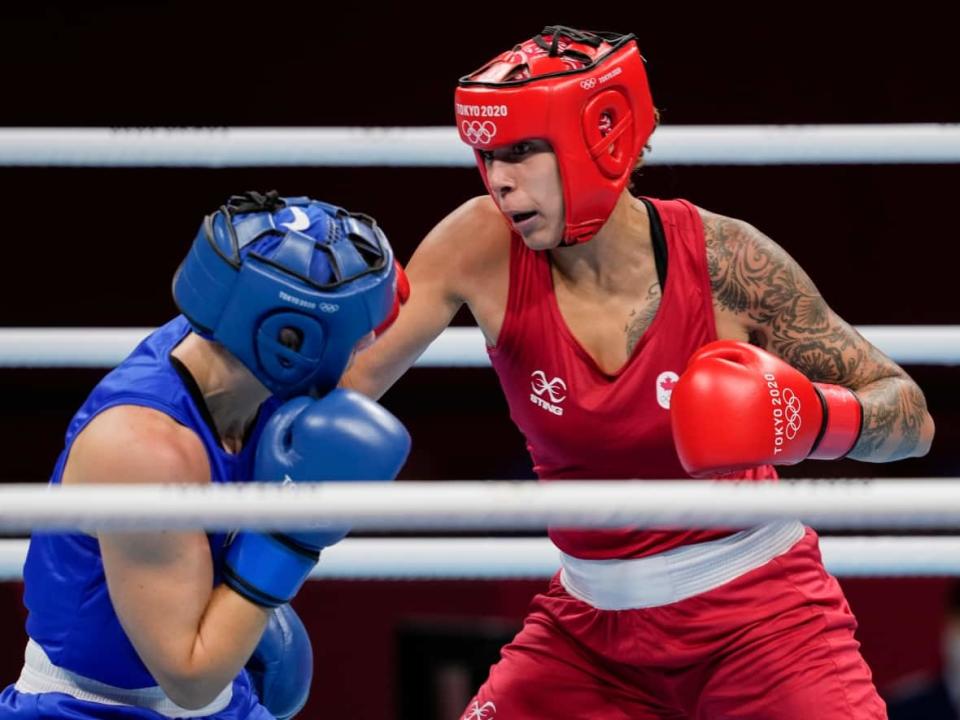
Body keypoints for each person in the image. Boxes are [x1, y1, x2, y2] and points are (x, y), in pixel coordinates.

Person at [342, 25, 935, 719]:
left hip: (761, 620)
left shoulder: (725, 262)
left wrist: (809, 421)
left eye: (523, 151)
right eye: (488, 155)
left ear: (601, 137)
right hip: (587, 632)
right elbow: (346, 388)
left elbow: (912, 418)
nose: (499, 179)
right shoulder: (480, 245)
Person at [0, 190, 411, 719]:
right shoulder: (143, 449)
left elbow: (393, 300)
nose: (368, 345)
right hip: (93, 708)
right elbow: (189, 678)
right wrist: (286, 536)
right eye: (358, 336)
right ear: (291, 339)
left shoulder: (246, 358)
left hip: (224, 700)